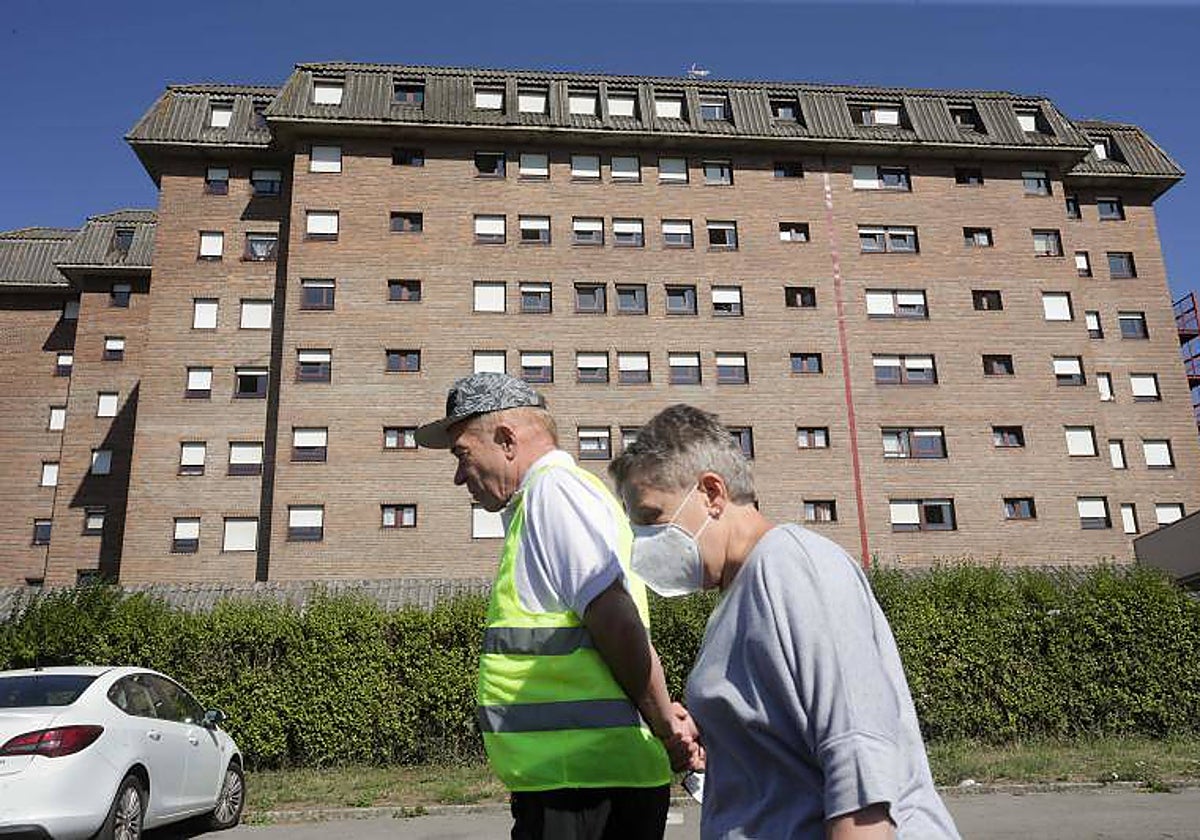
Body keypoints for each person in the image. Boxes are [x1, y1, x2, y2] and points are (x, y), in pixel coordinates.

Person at [608, 404, 962, 840]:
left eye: (649, 518)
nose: (641, 541)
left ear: (712, 494)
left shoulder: (792, 567)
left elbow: (860, 766)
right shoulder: (737, 594)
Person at [415, 373, 697, 840]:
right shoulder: (549, 499)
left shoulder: (554, 493)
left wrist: (665, 724)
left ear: (506, 440)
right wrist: (662, 712)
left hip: (585, 789)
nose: (459, 475)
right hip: (580, 781)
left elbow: (615, 618)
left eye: (462, 454)